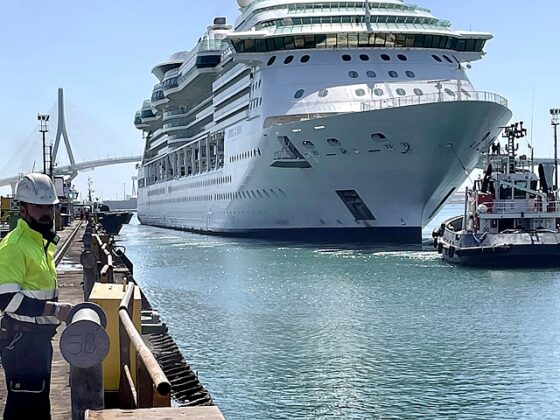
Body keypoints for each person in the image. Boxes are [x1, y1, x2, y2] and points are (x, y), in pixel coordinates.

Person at [0, 173, 73, 420]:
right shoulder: (15, 246)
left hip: (37, 342)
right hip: (23, 344)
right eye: (39, 206)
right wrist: (55, 310)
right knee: (25, 409)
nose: (46, 212)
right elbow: (6, 300)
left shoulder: (38, 244)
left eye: (49, 207)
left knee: (37, 407)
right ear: (23, 209)